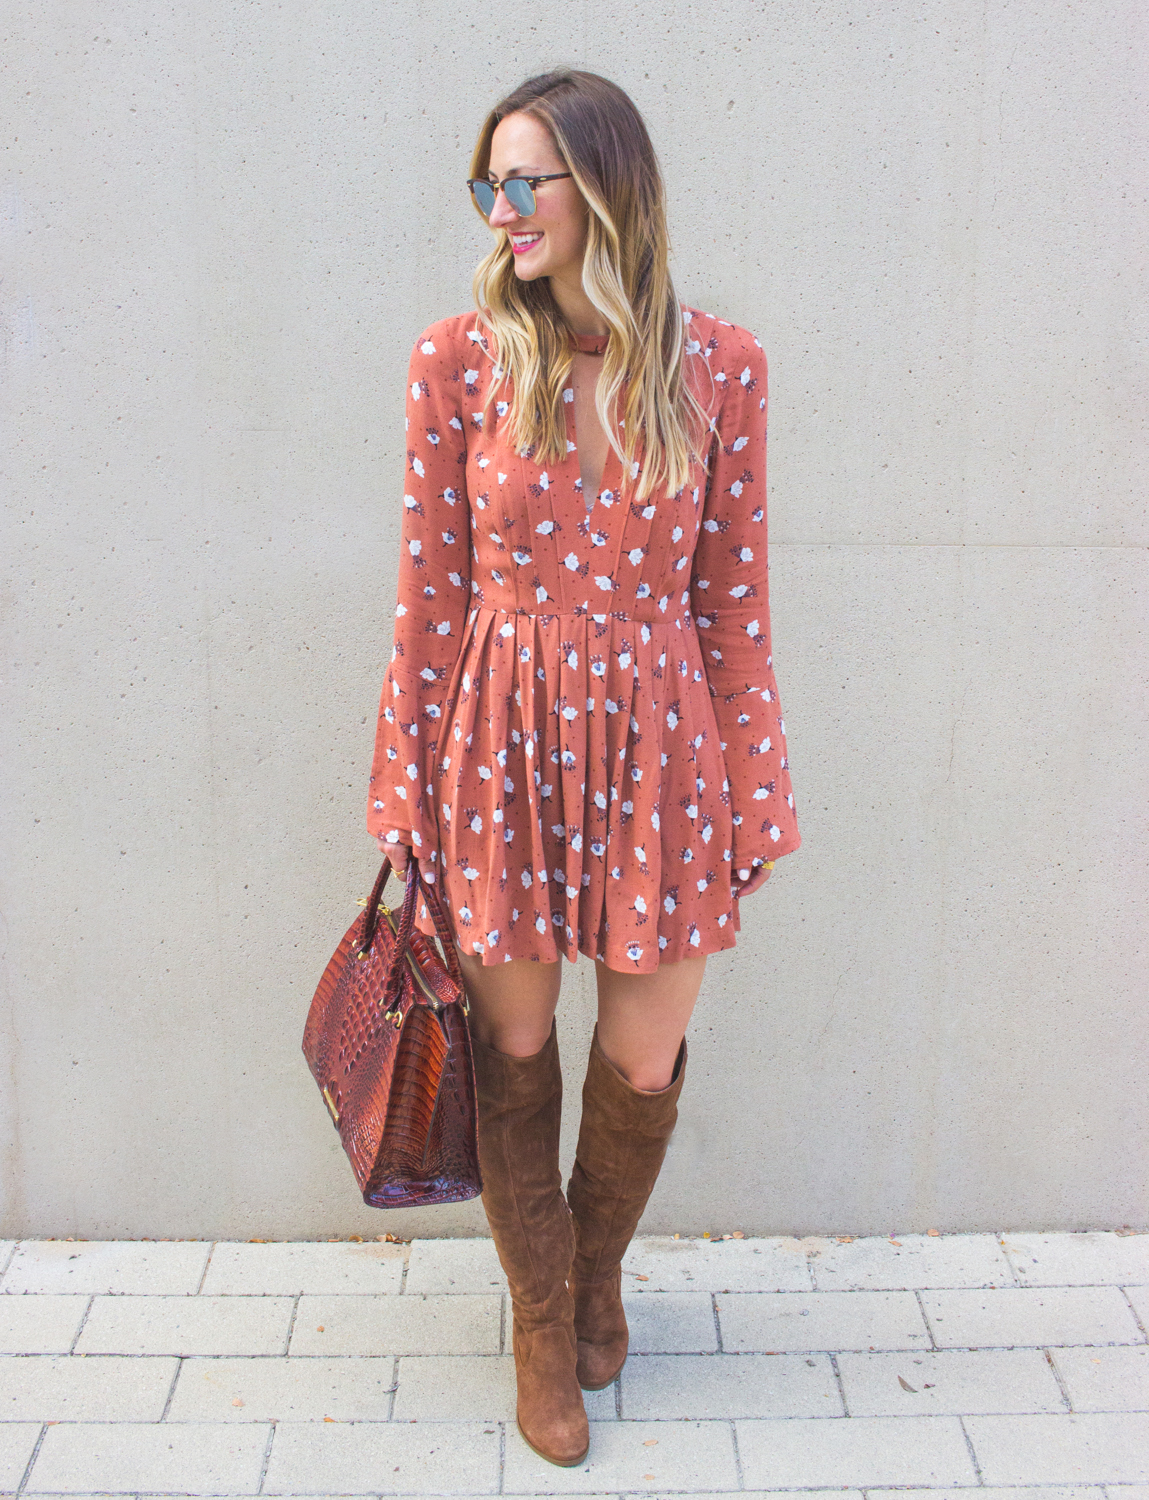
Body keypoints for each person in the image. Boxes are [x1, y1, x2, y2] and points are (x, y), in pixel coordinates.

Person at [366, 69, 799, 1467]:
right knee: (508, 1047)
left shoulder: (720, 367)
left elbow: (736, 600)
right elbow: (427, 592)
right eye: (485, 184)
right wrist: (404, 784)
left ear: (603, 188)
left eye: (522, 181)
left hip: (664, 750)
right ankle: (541, 1324)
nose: (498, 212)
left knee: (641, 1051)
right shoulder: (458, 359)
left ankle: (598, 1267)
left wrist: (755, 783)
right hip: (496, 737)